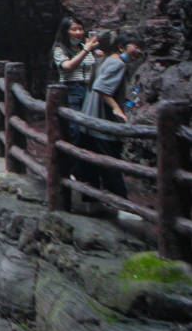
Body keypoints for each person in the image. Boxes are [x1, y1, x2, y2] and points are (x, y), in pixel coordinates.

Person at [81, 35, 145, 204]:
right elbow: (101, 88)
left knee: (92, 165)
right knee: (112, 165)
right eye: (135, 46)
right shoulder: (118, 64)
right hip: (102, 123)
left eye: (141, 48)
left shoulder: (106, 60)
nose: (139, 51)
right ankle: (122, 205)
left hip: (90, 120)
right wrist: (118, 110)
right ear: (122, 47)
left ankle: (91, 201)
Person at [51, 18, 102, 119]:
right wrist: (86, 50)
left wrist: (97, 55)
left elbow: (91, 66)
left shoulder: (85, 47)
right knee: (75, 121)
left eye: (80, 29)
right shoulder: (59, 49)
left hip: (88, 88)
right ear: (65, 31)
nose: (78, 32)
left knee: (90, 120)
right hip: (72, 88)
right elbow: (68, 66)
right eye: (74, 29)